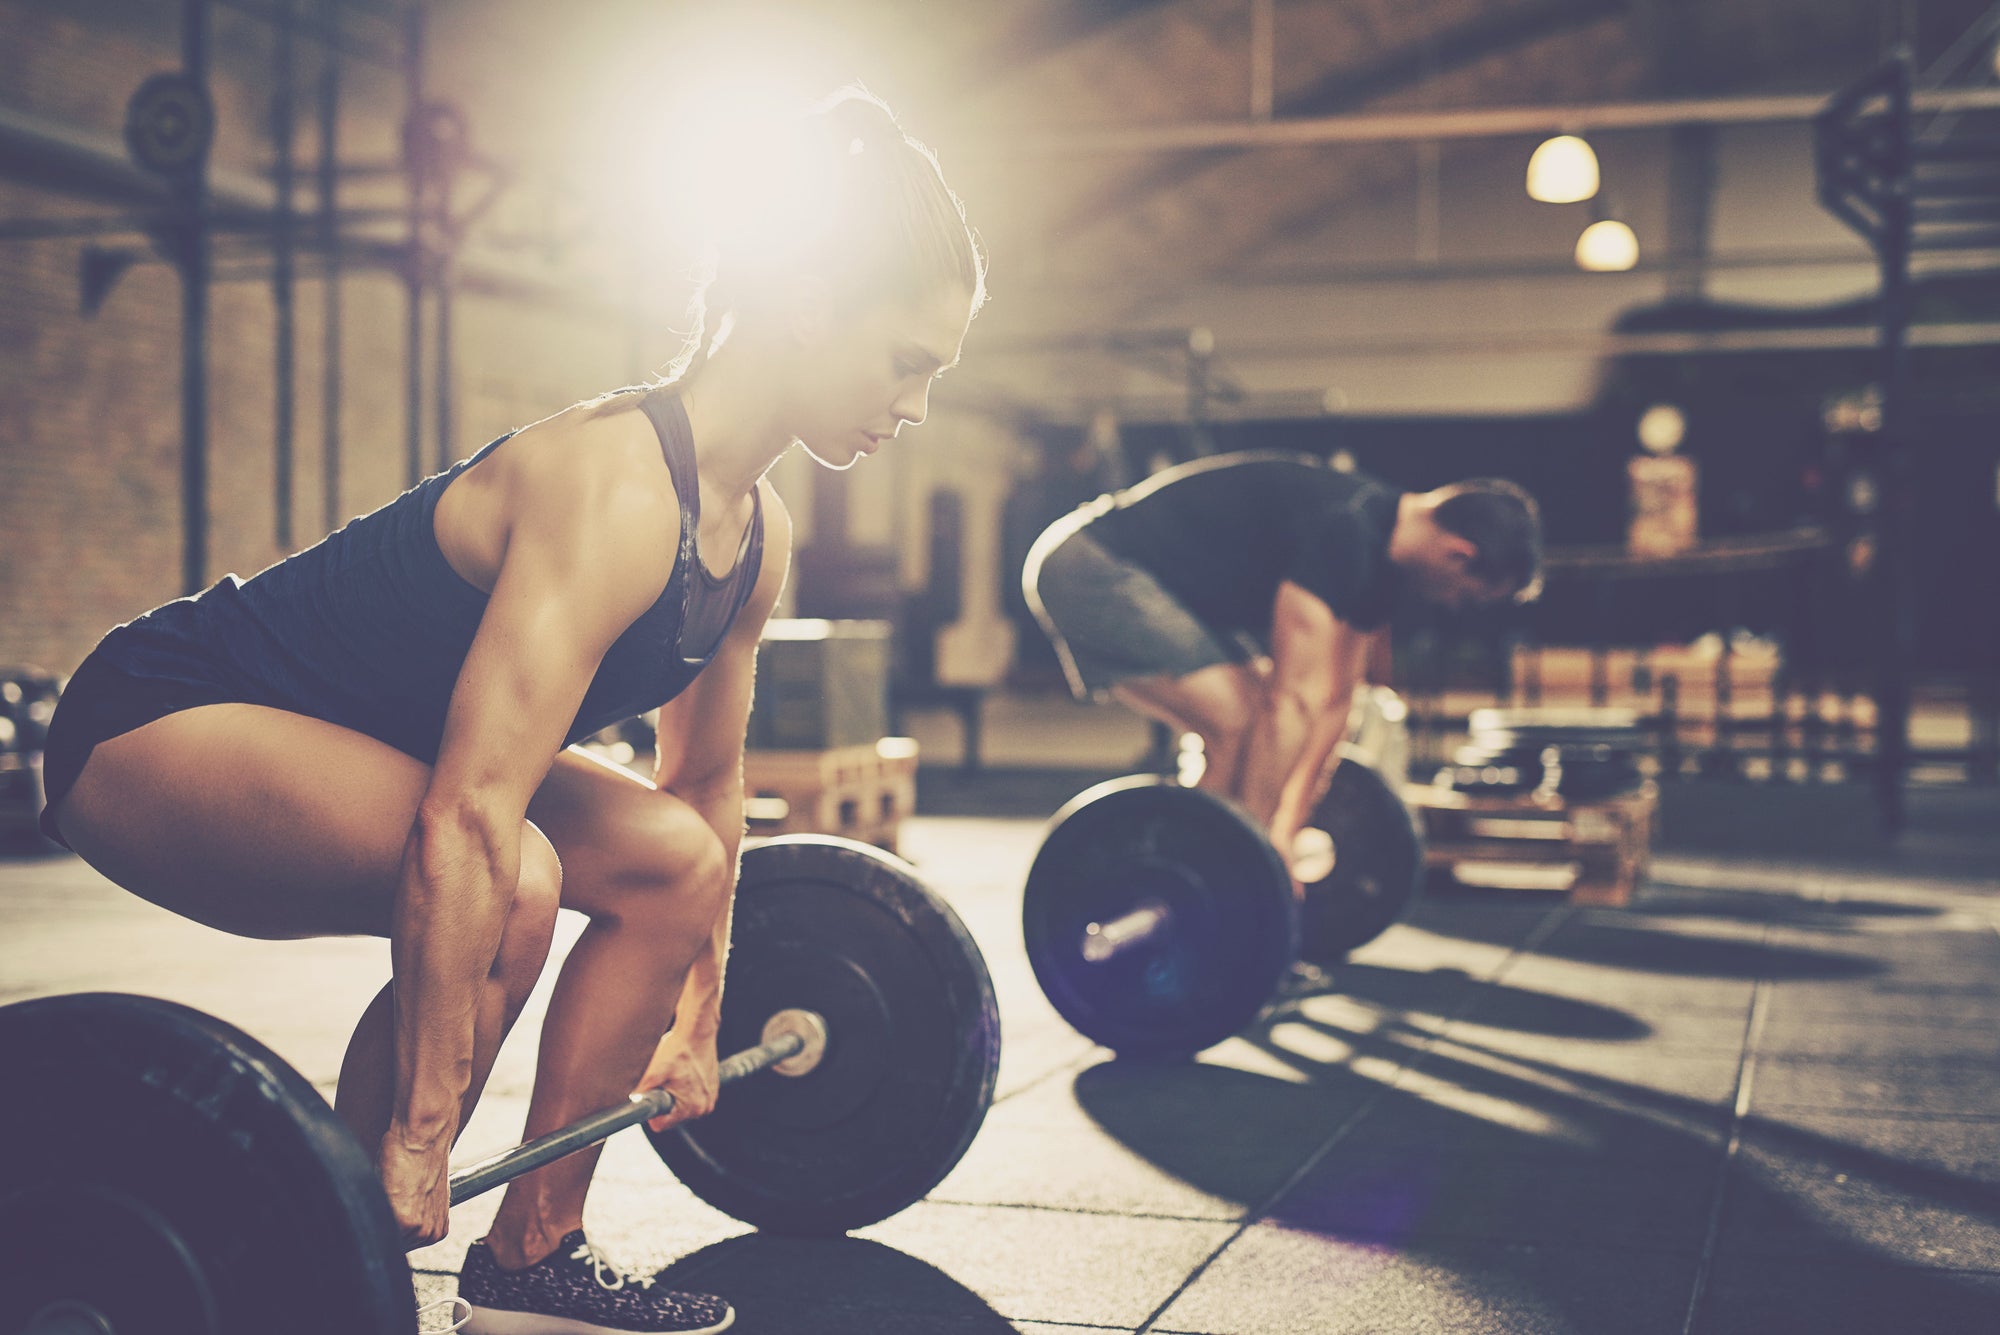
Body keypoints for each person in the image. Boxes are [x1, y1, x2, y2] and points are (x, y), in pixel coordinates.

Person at [38, 86, 984, 1335]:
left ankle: (531, 1253)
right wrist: (425, 1133)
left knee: (672, 860)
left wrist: (700, 1012)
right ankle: (316, 1247)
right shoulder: (614, 490)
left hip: (385, 756)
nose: (913, 406)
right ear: (810, 308)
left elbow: (700, 792)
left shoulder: (755, 541)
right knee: (516, 879)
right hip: (154, 724)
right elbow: (470, 815)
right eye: (905, 362)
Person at [1022, 453, 1540, 871]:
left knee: (1244, 728)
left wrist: (1286, 827)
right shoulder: (1345, 531)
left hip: (1164, 590)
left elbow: (1336, 704)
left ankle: (1190, 874)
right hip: (1090, 563)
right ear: (1459, 555)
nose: (1456, 607)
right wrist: (1258, 852)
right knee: (1242, 721)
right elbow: (1291, 701)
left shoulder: (1381, 567)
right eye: (1470, 596)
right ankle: (1187, 877)